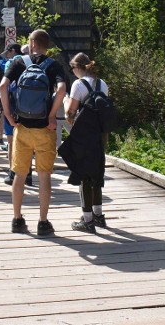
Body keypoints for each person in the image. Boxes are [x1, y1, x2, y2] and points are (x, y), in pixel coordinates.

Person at [1, 29, 66, 236]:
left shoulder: (19, 63)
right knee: (44, 176)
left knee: (20, 175)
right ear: (47, 45)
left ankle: (17, 219)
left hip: (22, 128)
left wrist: (10, 116)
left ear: (31, 43)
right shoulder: (53, 66)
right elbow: (62, 89)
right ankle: (43, 222)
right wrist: (51, 115)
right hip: (44, 130)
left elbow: (3, 86)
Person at [63, 53, 109, 233]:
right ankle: (98, 215)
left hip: (84, 137)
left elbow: (70, 115)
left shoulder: (78, 84)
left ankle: (87, 220)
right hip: (100, 135)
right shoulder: (102, 83)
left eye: (72, 68)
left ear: (77, 67)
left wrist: (66, 101)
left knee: (84, 175)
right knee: (97, 174)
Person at [1, 43, 32, 187]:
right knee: (28, 142)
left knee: (12, 142)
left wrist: (6, 112)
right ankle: (29, 175)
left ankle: (12, 173)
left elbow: (3, 86)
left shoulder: (11, 63)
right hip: (31, 110)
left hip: (13, 108)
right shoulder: (34, 63)